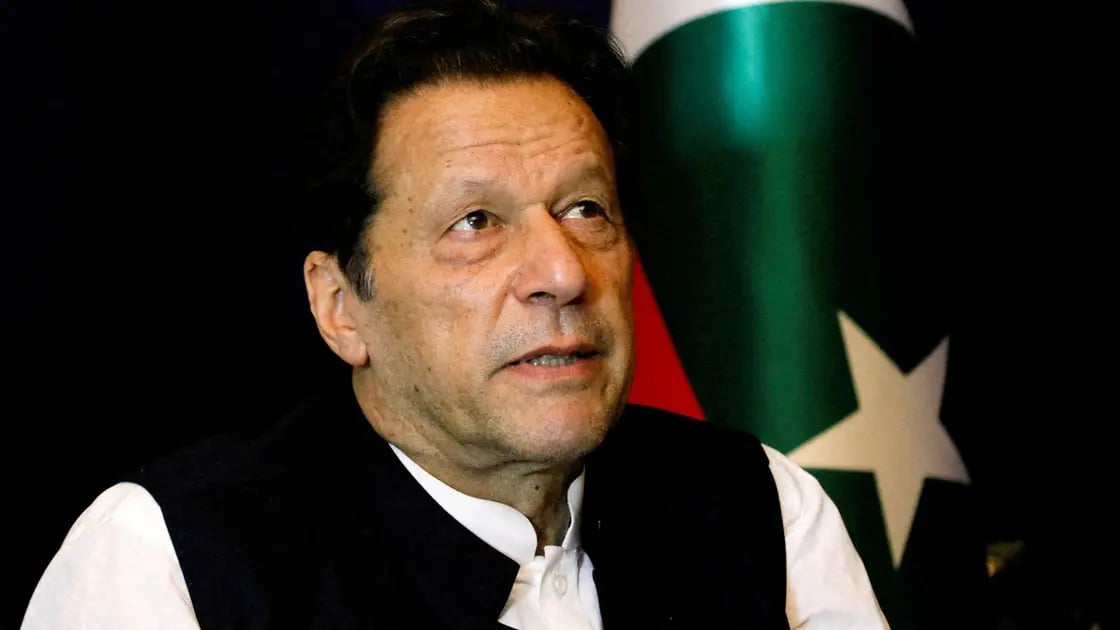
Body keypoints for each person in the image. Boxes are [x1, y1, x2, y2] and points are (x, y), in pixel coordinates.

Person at [22, 1, 887, 628]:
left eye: (586, 209)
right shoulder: (170, 559)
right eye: (475, 223)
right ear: (340, 307)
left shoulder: (761, 507)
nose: (563, 273)